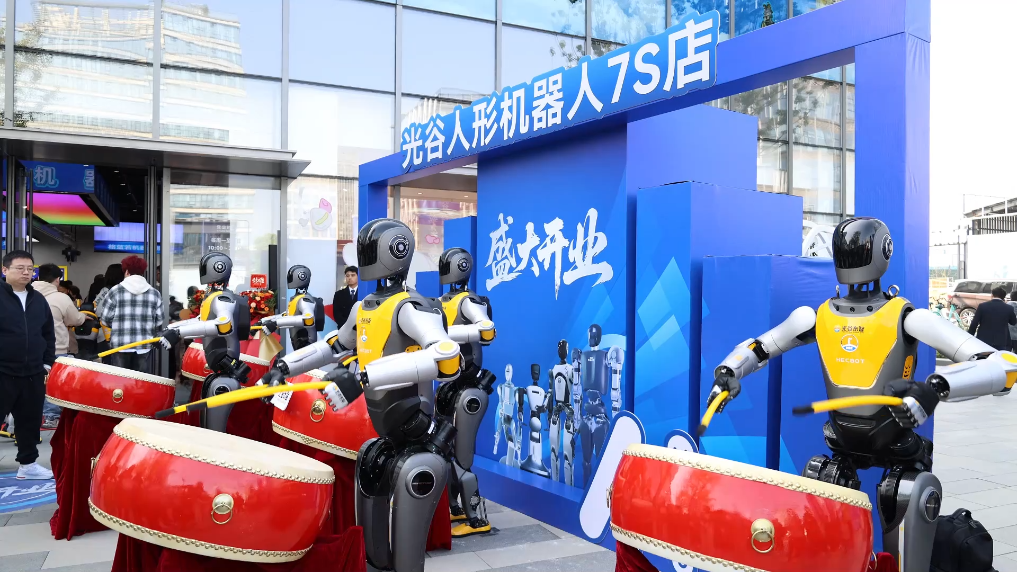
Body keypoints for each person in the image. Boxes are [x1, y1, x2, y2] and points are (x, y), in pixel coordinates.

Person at [0, 250, 56, 480]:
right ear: (4, 270)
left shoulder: (38, 300)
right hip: (3, 371)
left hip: (33, 372)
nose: (26, 273)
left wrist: (47, 363)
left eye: (30, 269)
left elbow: (48, 334)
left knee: (30, 421)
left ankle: (28, 464)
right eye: (20, 268)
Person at [32, 264, 87, 428]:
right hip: (56, 348)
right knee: (52, 383)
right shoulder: (61, 298)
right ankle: (50, 417)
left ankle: (29, 415)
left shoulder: (26, 294)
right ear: (57, 280)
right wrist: (84, 316)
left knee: (31, 382)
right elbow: (75, 320)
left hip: (30, 349)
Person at [98, 256, 164, 374]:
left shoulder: (114, 291)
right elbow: (159, 321)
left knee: (121, 382)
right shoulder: (155, 293)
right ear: (142, 272)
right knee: (141, 381)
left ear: (127, 271)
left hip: (120, 345)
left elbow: (105, 319)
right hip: (144, 346)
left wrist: (118, 325)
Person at [967, 286, 1016, 351]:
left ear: (992, 295)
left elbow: (974, 323)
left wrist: (970, 336)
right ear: (1003, 297)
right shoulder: (1009, 308)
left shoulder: (982, 306)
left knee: (983, 356)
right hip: (1001, 340)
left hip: (983, 339)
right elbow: (1013, 322)